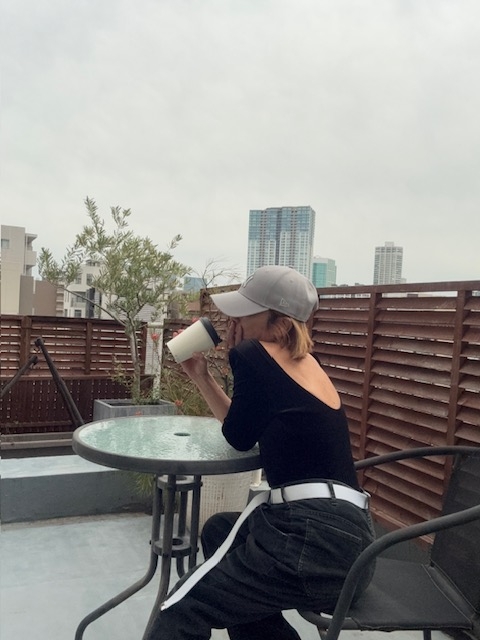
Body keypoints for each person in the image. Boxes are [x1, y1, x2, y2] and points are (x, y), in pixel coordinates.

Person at [143, 265, 375, 640]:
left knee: (181, 608)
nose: (234, 322)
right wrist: (201, 375)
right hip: (350, 545)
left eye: (245, 314)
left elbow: (236, 437)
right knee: (219, 531)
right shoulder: (306, 363)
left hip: (310, 541)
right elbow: (241, 432)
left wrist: (239, 356)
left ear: (280, 325)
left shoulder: (253, 354)